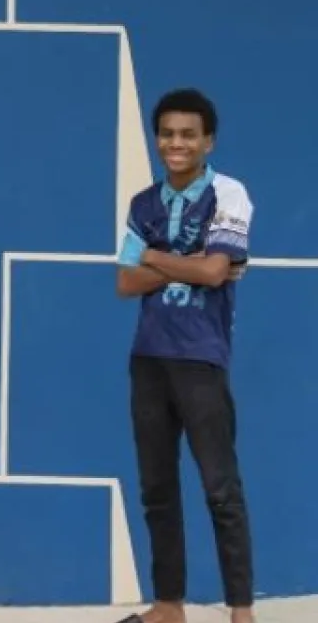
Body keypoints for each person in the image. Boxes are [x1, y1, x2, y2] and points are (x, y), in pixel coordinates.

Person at [114, 88, 255, 623]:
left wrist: (152, 254)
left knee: (220, 488)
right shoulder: (143, 203)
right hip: (148, 357)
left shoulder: (229, 193)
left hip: (201, 359)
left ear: (208, 140)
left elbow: (215, 271)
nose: (177, 143)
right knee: (156, 487)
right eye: (168, 133)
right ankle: (168, 605)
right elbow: (125, 283)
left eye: (188, 134)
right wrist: (181, 260)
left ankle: (242, 611)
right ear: (157, 139)